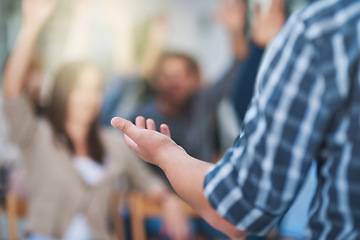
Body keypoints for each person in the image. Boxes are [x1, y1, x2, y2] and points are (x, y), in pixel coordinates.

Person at [111, 0, 360, 239]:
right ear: (158, 79)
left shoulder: (202, 102)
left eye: (183, 74)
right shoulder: (143, 112)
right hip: (161, 200)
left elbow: (235, 73)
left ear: (196, 78)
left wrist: (239, 36)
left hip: (203, 195)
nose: (175, 81)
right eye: (168, 75)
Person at [2, 0, 190, 239]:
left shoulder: (113, 143)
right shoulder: (38, 138)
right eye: (80, 88)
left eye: (95, 89)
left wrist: (168, 200)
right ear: (63, 92)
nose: (89, 97)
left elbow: (147, 181)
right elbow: (12, 95)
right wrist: (31, 26)